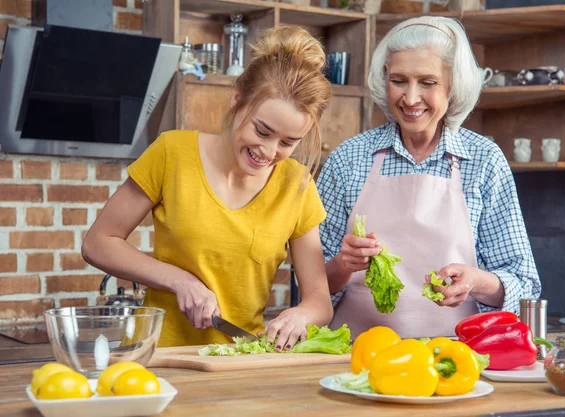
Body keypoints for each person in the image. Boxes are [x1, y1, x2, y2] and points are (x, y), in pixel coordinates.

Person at [82, 26, 334, 348]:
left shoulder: (296, 185)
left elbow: (319, 301)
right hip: (158, 355)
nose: (269, 152)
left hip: (236, 362)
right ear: (237, 100)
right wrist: (179, 280)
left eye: (288, 142)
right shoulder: (172, 153)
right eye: (262, 130)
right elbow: (98, 242)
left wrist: (300, 315)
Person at [316, 16, 541, 339]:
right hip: (355, 354)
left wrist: (476, 282)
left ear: (453, 85)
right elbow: (311, 285)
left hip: (457, 357)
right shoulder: (348, 159)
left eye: (427, 82)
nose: (410, 98)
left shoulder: (484, 161)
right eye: (399, 80)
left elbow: (525, 286)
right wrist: (343, 264)